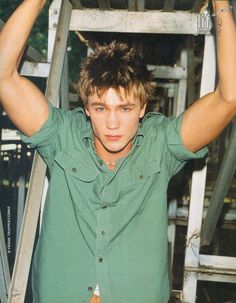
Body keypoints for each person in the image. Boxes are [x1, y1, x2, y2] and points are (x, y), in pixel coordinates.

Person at [0, 1, 235, 303]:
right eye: (101, 108)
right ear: (86, 108)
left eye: (124, 108)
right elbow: (5, 76)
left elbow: (229, 97)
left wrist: (221, 3)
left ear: (142, 108)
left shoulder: (160, 144)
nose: (113, 123)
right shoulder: (63, 137)